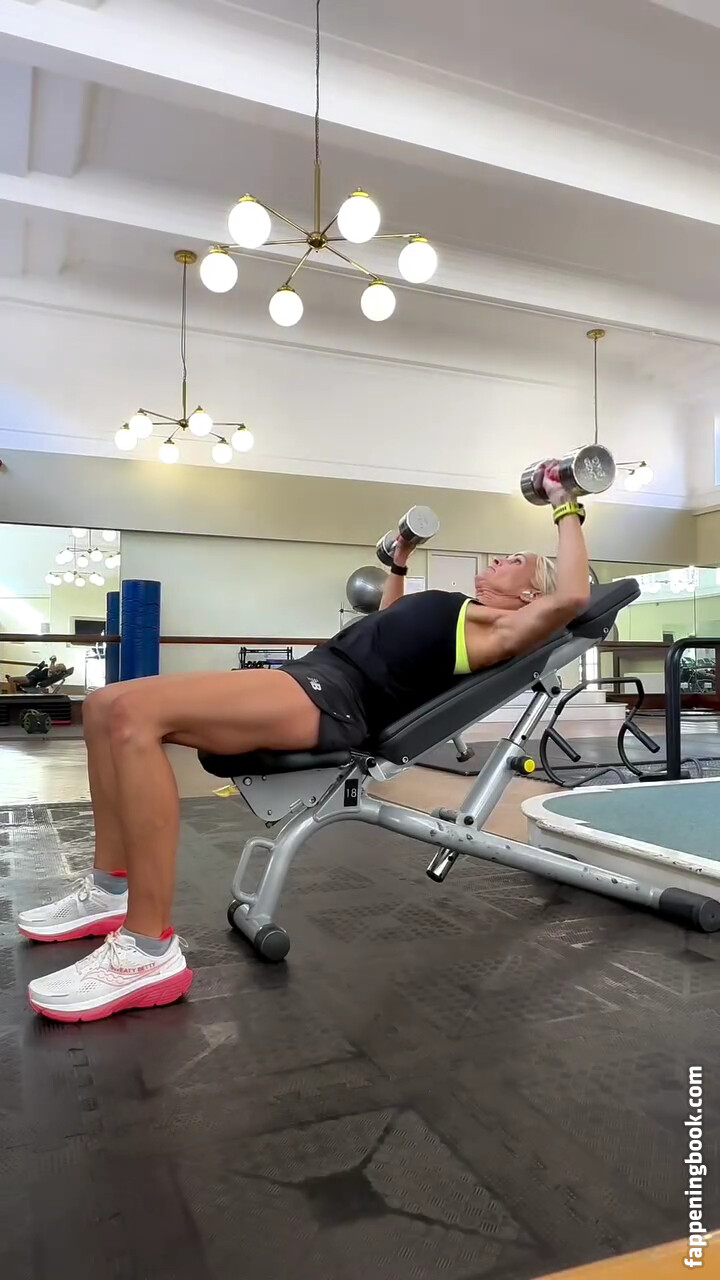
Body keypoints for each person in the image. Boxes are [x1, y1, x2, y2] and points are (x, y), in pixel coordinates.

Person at [18, 466, 589, 1022]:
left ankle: (147, 950)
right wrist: (399, 559)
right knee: (103, 706)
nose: (498, 560)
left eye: (515, 560)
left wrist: (565, 501)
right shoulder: (459, 611)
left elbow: (571, 599)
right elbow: (389, 618)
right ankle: (108, 890)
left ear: (529, 596)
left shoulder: (499, 631)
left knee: (131, 713)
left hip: (333, 698)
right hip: (315, 674)